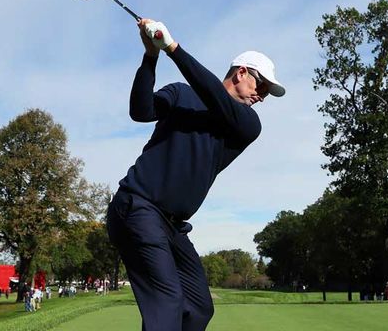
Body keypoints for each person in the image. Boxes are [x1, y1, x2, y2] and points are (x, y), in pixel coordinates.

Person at [106, 19, 285, 331]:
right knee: (168, 304)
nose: (263, 95)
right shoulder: (180, 94)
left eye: (268, 91)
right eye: (262, 85)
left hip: (172, 226)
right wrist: (151, 56)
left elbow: (213, 94)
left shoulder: (246, 124)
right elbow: (141, 111)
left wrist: (173, 48)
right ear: (241, 72)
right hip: (138, 207)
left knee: (199, 308)